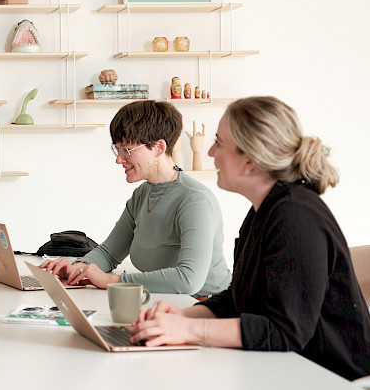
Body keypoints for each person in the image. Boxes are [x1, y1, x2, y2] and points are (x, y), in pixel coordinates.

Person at [130, 96, 370, 381]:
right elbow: (240, 299)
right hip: (286, 372)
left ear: (250, 161)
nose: (211, 152)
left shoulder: (296, 217)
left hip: (333, 379)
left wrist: (189, 331)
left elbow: (284, 332)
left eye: (219, 143)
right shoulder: (265, 210)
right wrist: (184, 317)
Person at [40, 100, 230, 297]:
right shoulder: (142, 194)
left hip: (206, 305)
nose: (119, 159)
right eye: (117, 149)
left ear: (159, 147)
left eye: (127, 150)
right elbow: (108, 253)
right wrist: (78, 267)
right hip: (167, 300)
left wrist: (112, 281)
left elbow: (188, 280)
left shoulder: (194, 201)